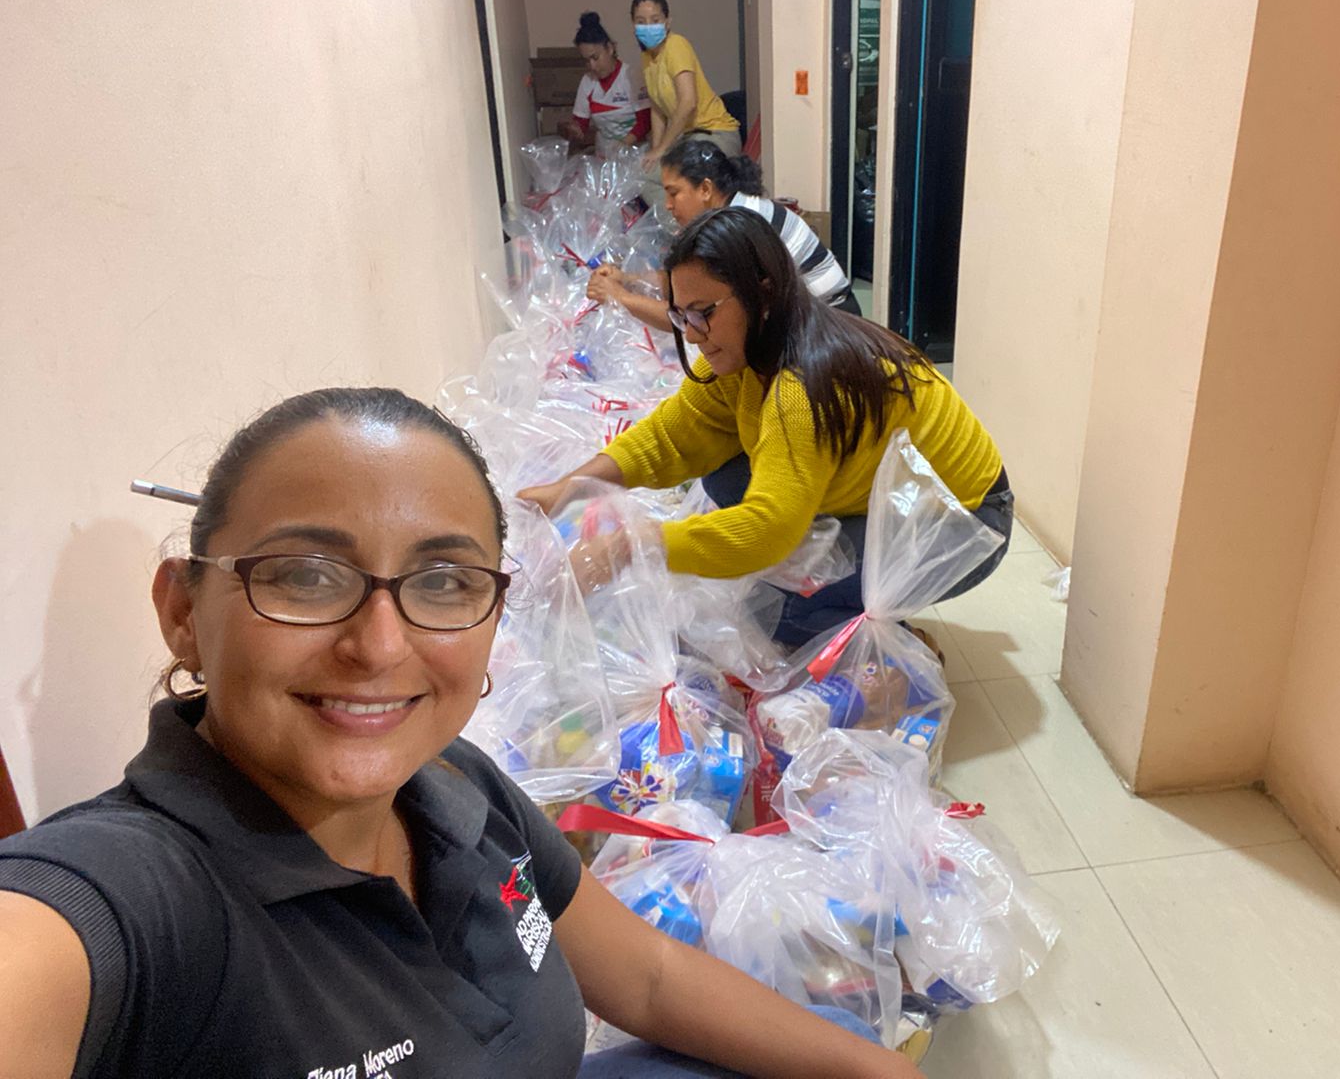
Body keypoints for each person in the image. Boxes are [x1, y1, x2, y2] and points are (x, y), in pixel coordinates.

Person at [0, 388, 918, 1079]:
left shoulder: (453, 785)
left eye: (443, 583)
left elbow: (646, 977)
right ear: (183, 613)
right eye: (306, 576)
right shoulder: (135, 902)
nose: (378, 647)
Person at [522, 209, 1013, 648]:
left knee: (778, 613)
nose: (691, 333)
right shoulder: (747, 354)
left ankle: (896, 645)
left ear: (763, 293)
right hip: (893, 495)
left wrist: (634, 544)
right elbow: (671, 436)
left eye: (703, 313)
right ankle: (846, 589)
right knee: (724, 477)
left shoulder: (804, 385)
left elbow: (768, 531)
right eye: (680, 315)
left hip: (965, 521)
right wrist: (569, 487)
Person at [587, 139, 859, 327]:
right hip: (825, 315)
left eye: (674, 193)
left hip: (831, 325)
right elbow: (686, 285)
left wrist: (620, 297)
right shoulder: (736, 209)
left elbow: (693, 318)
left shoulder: (737, 227)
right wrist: (628, 279)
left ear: (705, 189)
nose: (668, 205)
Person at [631, 0, 742, 167]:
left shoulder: (676, 45)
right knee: (646, 175)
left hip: (713, 133)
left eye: (655, 20)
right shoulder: (647, 57)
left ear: (667, 22)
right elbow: (657, 109)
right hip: (687, 138)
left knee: (681, 175)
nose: (648, 26)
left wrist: (662, 148)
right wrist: (655, 150)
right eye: (641, 22)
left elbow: (688, 102)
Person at [560, 11, 651, 158]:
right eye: (587, 60)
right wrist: (575, 130)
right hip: (604, 155)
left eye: (595, 58)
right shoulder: (587, 82)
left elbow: (645, 121)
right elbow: (581, 122)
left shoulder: (632, 76)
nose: (592, 66)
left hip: (634, 154)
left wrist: (624, 144)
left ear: (610, 48)